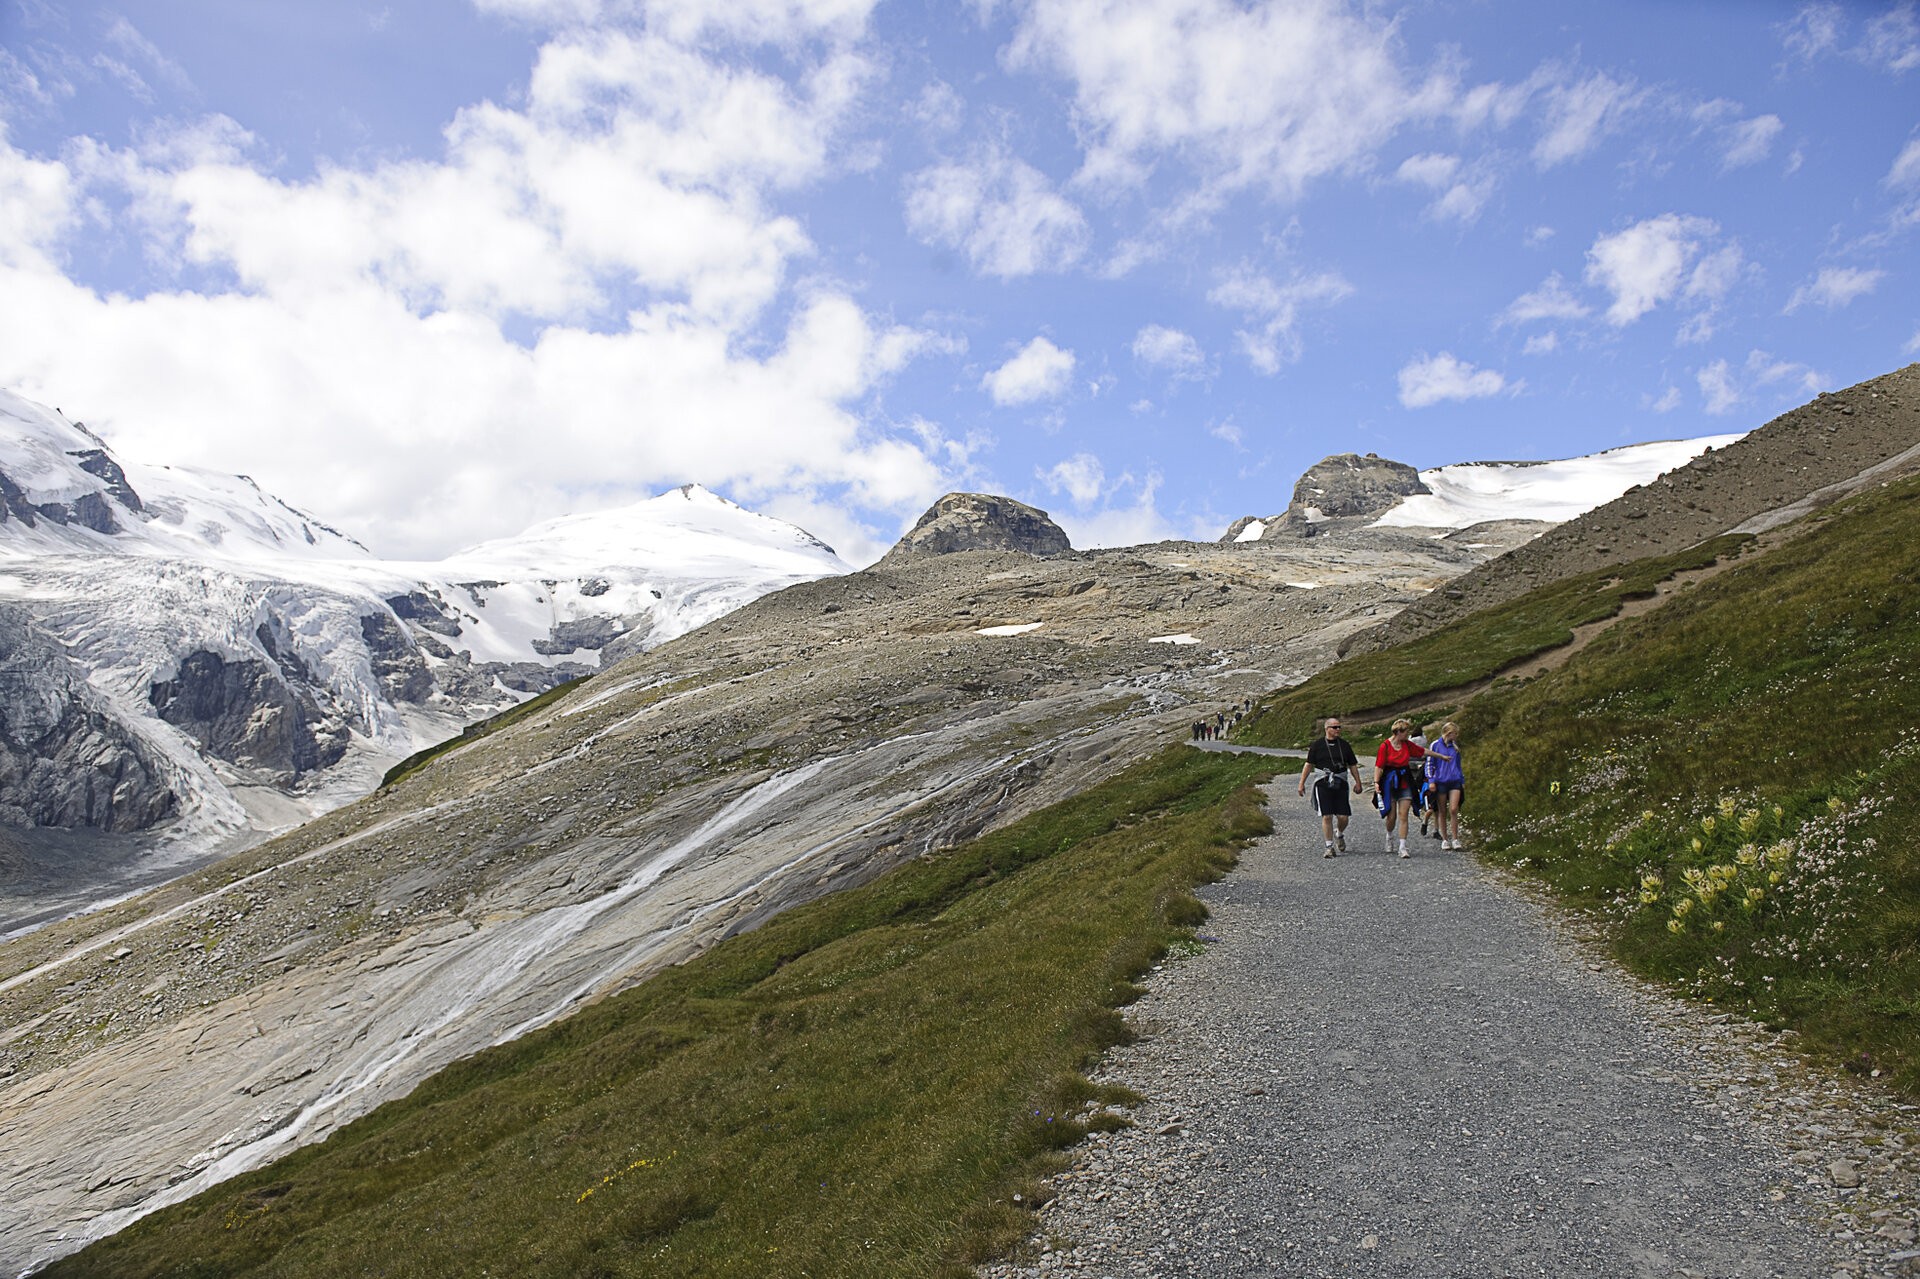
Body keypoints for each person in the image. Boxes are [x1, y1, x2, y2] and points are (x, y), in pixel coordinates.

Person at [1298, 716, 1363, 857]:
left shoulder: (1344, 745)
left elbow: (1352, 765)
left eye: (1339, 727)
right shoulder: (1317, 745)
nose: (1338, 729)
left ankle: (1339, 833)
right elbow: (1308, 764)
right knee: (1326, 816)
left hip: (1340, 782)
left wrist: (1358, 782)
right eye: (1335, 727)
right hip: (1322, 782)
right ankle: (1329, 847)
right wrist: (1301, 783)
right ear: (1327, 729)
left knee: (1343, 817)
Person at [1372, 719, 1427, 858]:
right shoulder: (1385, 746)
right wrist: (1376, 782)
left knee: (1404, 814)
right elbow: (1379, 766)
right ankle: (1389, 835)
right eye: (1406, 731)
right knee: (1392, 816)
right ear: (1398, 732)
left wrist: (1441, 756)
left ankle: (1402, 846)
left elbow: (1421, 751)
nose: (1408, 734)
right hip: (1390, 782)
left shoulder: (1407, 744)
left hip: (1405, 781)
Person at [1425, 721, 1466, 850]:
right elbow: (1429, 763)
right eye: (1455, 733)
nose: (1456, 736)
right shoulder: (1435, 745)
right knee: (1442, 810)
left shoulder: (1455, 747)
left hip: (1455, 781)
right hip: (1441, 781)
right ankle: (1445, 839)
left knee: (1453, 809)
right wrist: (1431, 780)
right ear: (1449, 733)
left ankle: (1455, 839)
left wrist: (1462, 780)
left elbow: (1458, 765)